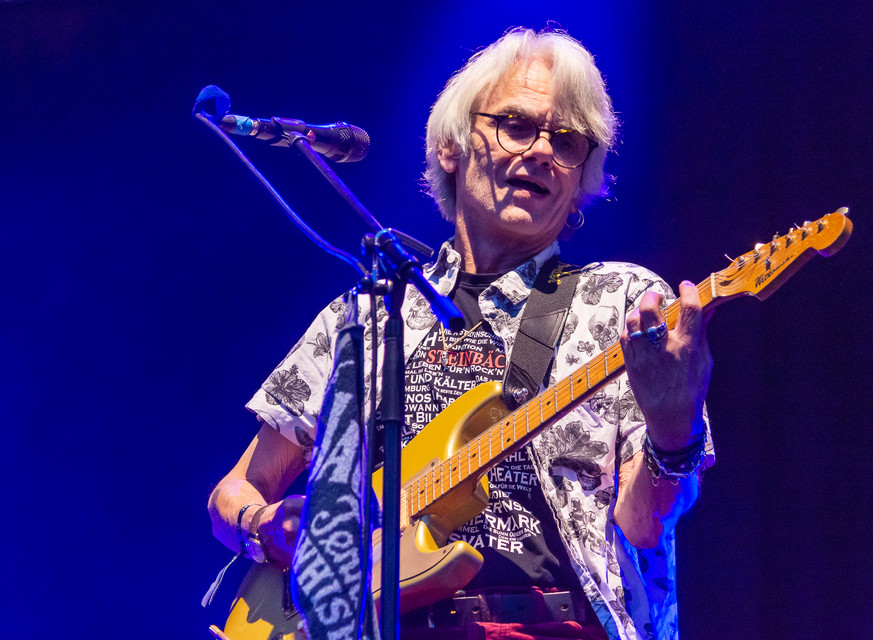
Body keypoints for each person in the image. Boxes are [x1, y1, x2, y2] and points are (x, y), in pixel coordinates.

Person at [208, 27, 715, 640]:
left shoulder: (623, 303)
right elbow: (236, 489)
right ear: (451, 146)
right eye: (517, 126)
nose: (542, 152)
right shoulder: (367, 315)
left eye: (567, 142)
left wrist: (674, 431)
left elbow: (645, 528)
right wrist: (262, 527)